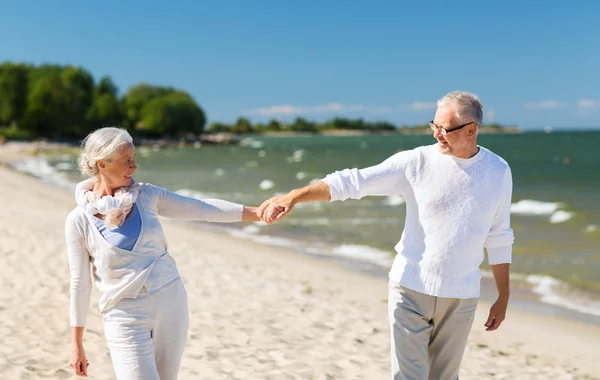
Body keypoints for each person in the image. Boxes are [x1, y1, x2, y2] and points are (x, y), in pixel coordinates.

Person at [258, 91, 514, 380]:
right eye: (434, 126)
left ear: (471, 130)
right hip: (410, 289)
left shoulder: (498, 171)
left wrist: (503, 295)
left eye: (445, 129)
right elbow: (352, 182)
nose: (437, 135)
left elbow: (499, 236)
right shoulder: (415, 162)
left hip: (461, 297)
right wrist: (295, 196)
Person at [65, 126, 261, 379]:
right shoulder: (79, 220)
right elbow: (80, 283)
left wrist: (257, 213)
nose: (134, 167)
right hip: (124, 316)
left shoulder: (146, 195)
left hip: (171, 304)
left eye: (134, 159)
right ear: (102, 164)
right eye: (127, 161)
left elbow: (202, 209)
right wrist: (76, 344)